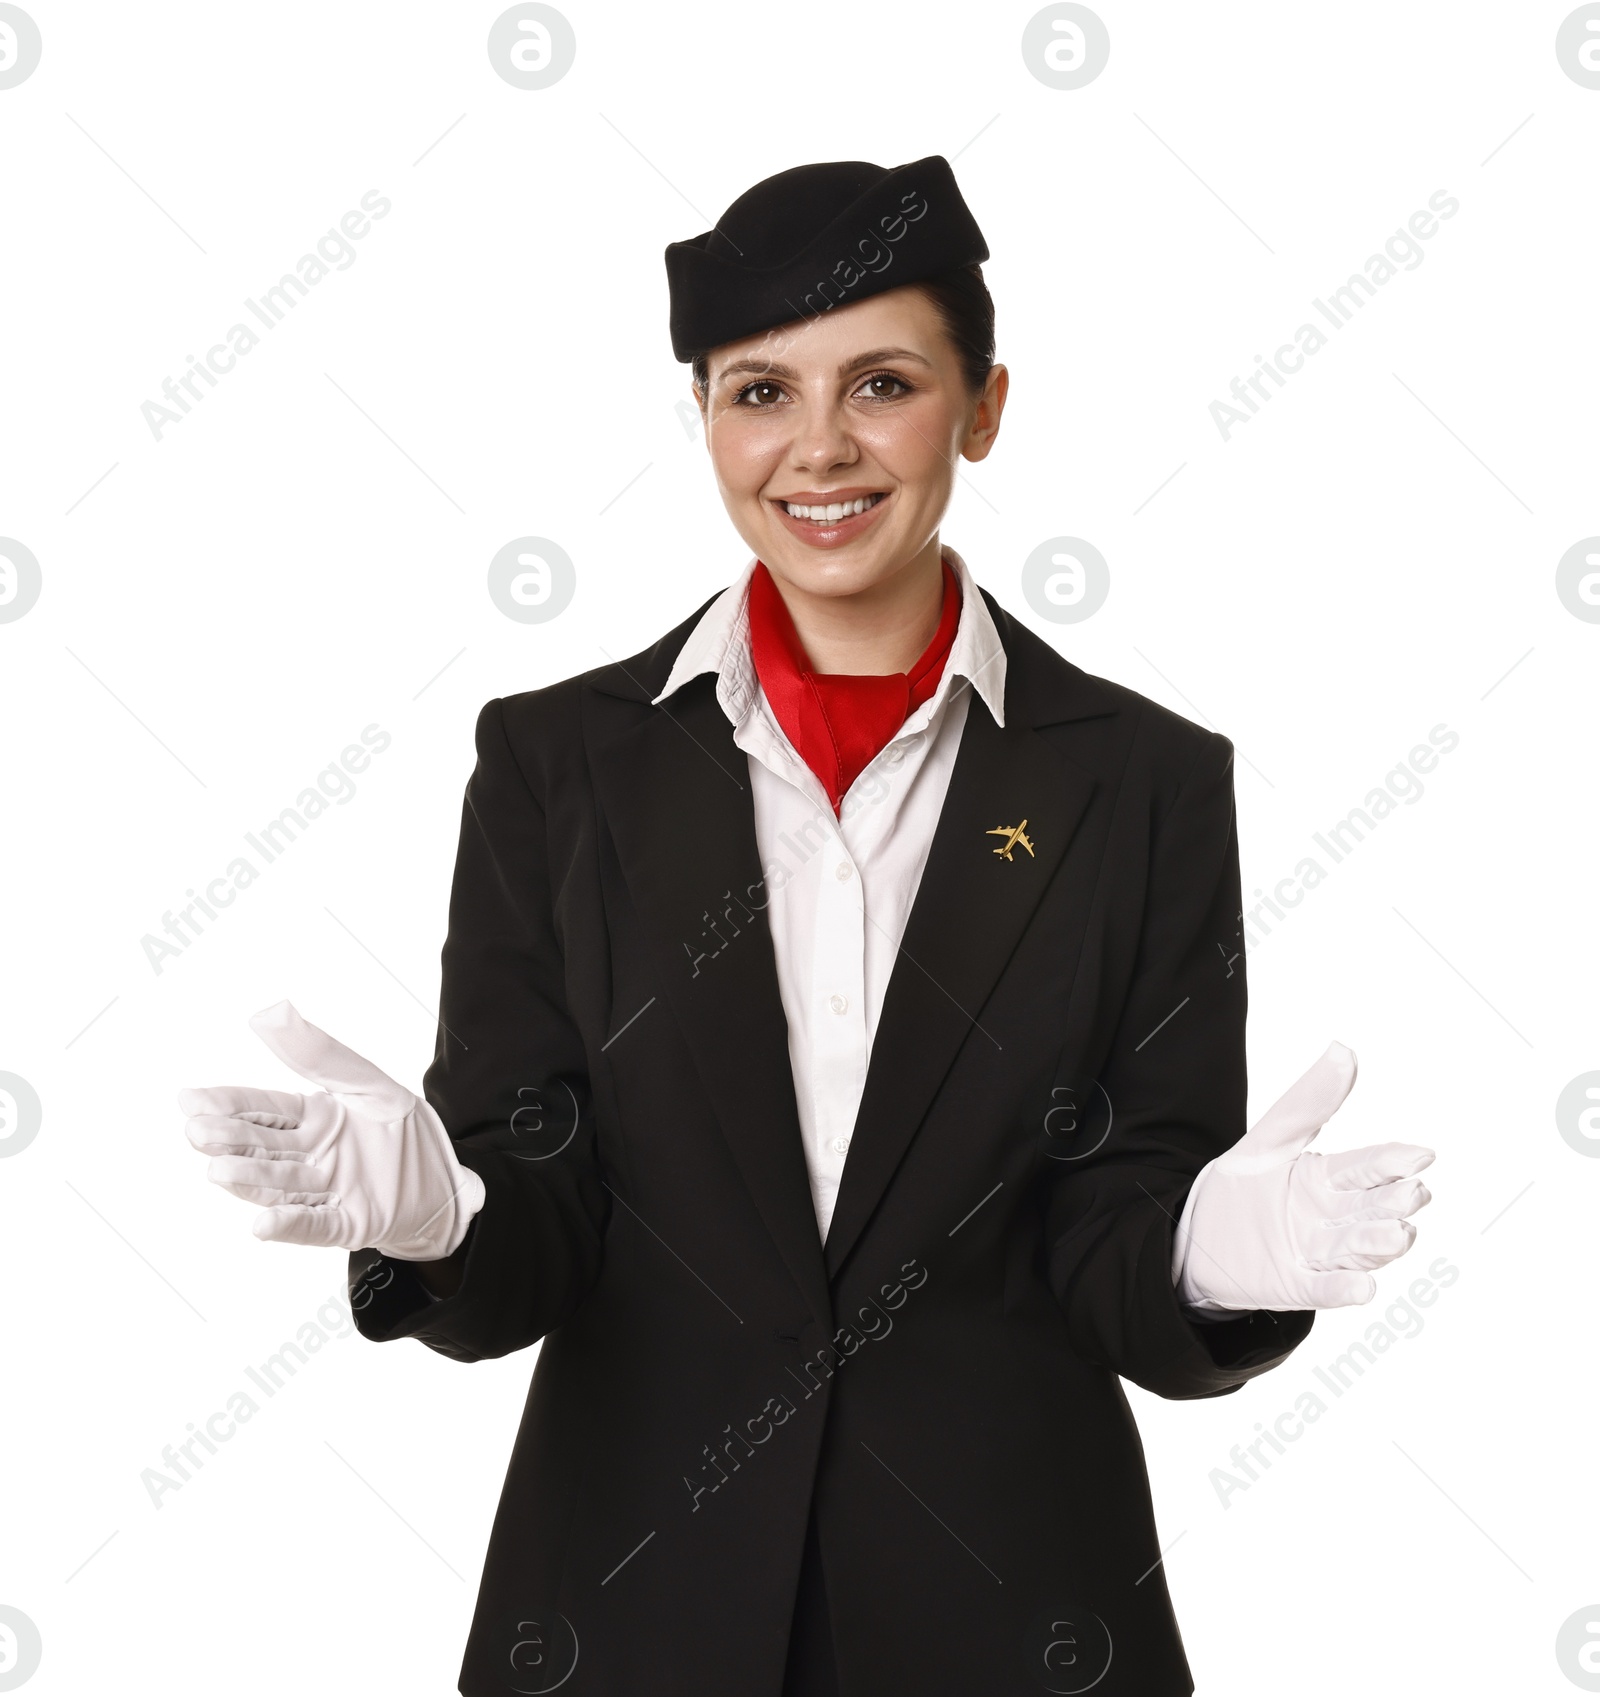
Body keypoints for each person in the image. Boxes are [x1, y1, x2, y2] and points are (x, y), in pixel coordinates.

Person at [180, 155, 1436, 1696]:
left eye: (884, 383)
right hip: (627, 1618)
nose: (819, 447)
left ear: (980, 408)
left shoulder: (1146, 780)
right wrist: (441, 1219)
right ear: (704, 419)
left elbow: (1120, 1233)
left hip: (1015, 1618)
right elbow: (539, 1230)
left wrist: (1214, 1259)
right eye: (759, 391)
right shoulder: (555, 763)